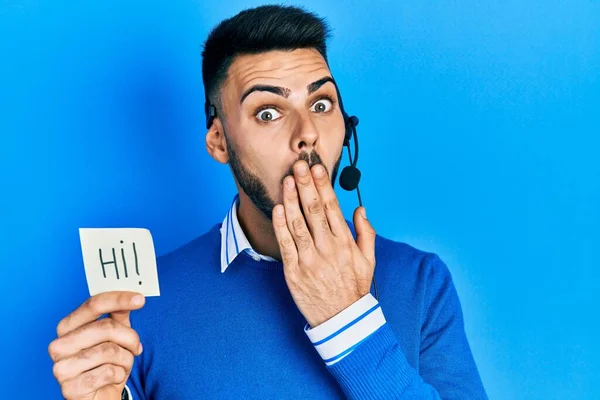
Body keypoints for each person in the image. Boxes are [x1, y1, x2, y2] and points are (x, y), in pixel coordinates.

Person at [48, 5, 487, 399]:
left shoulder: (421, 282)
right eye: (268, 112)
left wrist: (348, 318)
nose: (307, 133)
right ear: (219, 140)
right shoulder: (142, 303)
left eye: (321, 103)